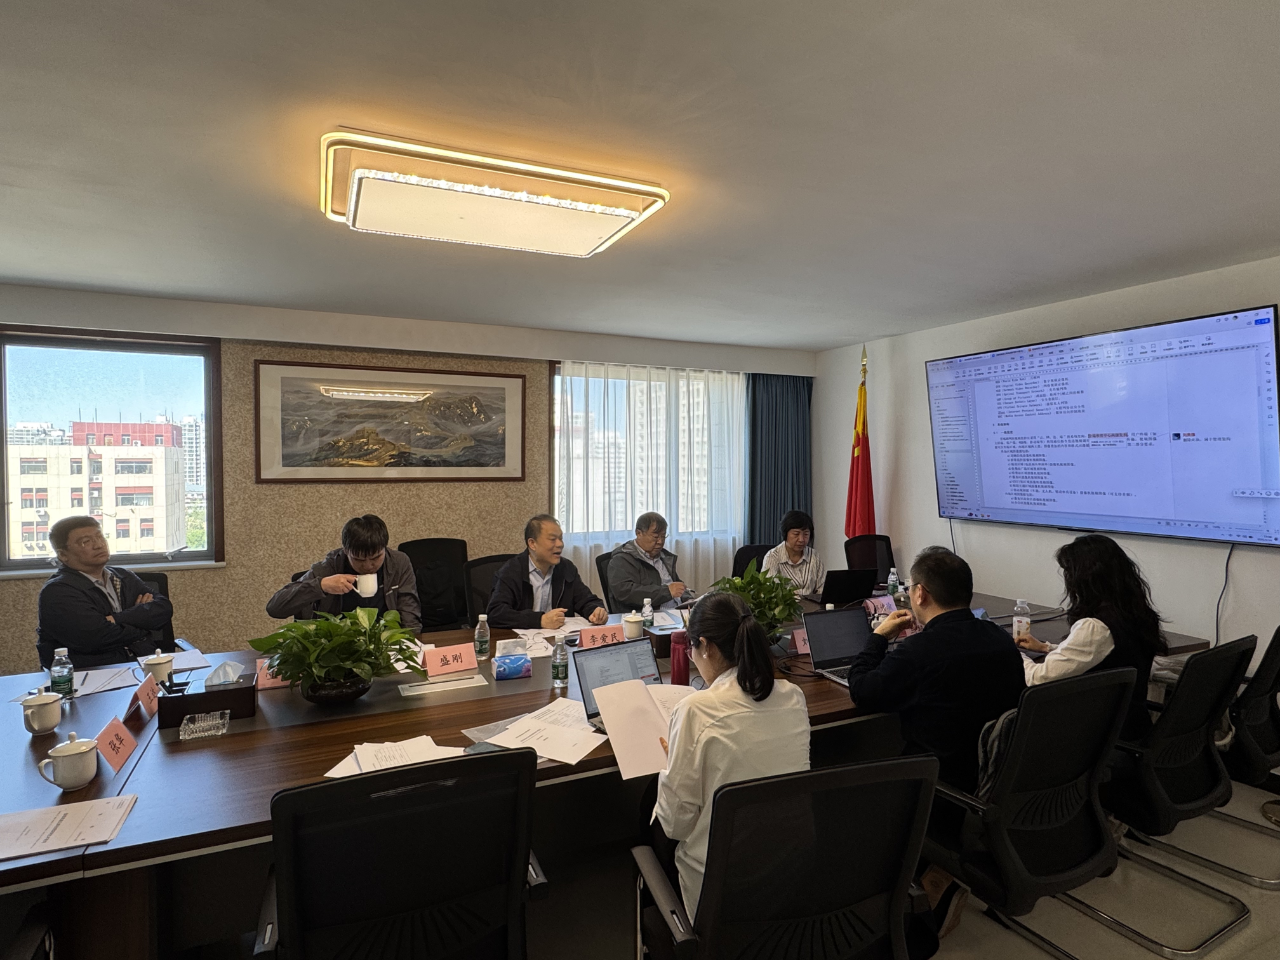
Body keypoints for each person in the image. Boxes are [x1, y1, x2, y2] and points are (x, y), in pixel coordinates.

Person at [847, 546, 1024, 937]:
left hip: (936, 780)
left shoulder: (919, 651)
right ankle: (937, 872)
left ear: (920, 593)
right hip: (992, 774)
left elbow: (863, 690)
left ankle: (912, 883)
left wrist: (877, 638)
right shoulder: (1000, 640)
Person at [653, 591, 810, 917]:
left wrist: (671, 764)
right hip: (786, 871)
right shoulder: (793, 696)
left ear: (706, 646)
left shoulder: (694, 710)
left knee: (651, 820)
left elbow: (675, 826)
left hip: (718, 887)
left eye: (691, 648)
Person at [1016, 534, 1168, 741]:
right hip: (1130, 723)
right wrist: (1046, 648)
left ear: (1084, 579)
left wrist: (1014, 655)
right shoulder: (1139, 614)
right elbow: (1107, 655)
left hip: (1095, 733)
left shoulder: (1095, 627)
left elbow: (1038, 678)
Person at [36, 516, 175, 669]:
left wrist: (116, 619)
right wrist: (144, 624)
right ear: (63, 555)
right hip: (92, 672)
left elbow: (164, 608)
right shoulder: (57, 591)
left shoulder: (123, 576)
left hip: (142, 663)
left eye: (100, 537)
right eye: (86, 542)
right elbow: (95, 638)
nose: (98, 545)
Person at [265, 515, 422, 634]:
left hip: (384, 643)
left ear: (385, 548)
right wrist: (321, 585)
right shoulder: (329, 568)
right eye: (359, 560)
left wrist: (409, 647)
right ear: (346, 551)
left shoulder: (398, 563)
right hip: (337, 647)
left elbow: (410, 616)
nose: (368, 566)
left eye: (376, 558)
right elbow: (275, 608)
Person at [487, 515, 609, 629]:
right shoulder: (511, 571)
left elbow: (585, 600)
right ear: (532, 543)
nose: (560, 544)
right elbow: (496, 613)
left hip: (558, 639)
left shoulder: (566, 568)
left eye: (560, 538)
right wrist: (540, 620)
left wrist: (596, 611)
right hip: (522, 640)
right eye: (552, 539)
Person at [609, 512, 688, 612]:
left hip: (678, 611)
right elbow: (625, 592)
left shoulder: (664, 556)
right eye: (655, 537)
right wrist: (667, 592)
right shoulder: (622, 559)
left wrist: (689, 599)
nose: (660, 541)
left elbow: (676, 586)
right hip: (650, 615)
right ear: (639, 533)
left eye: (663, 536)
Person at [761, 510, 826, 600]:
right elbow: (771, 591)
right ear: (785, 534)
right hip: (786, 606)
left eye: (806, 534)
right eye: (796, 534)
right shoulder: (772, 557)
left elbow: (822, 589)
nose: (801, 539)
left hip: (812, 606)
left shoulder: (814, 556)